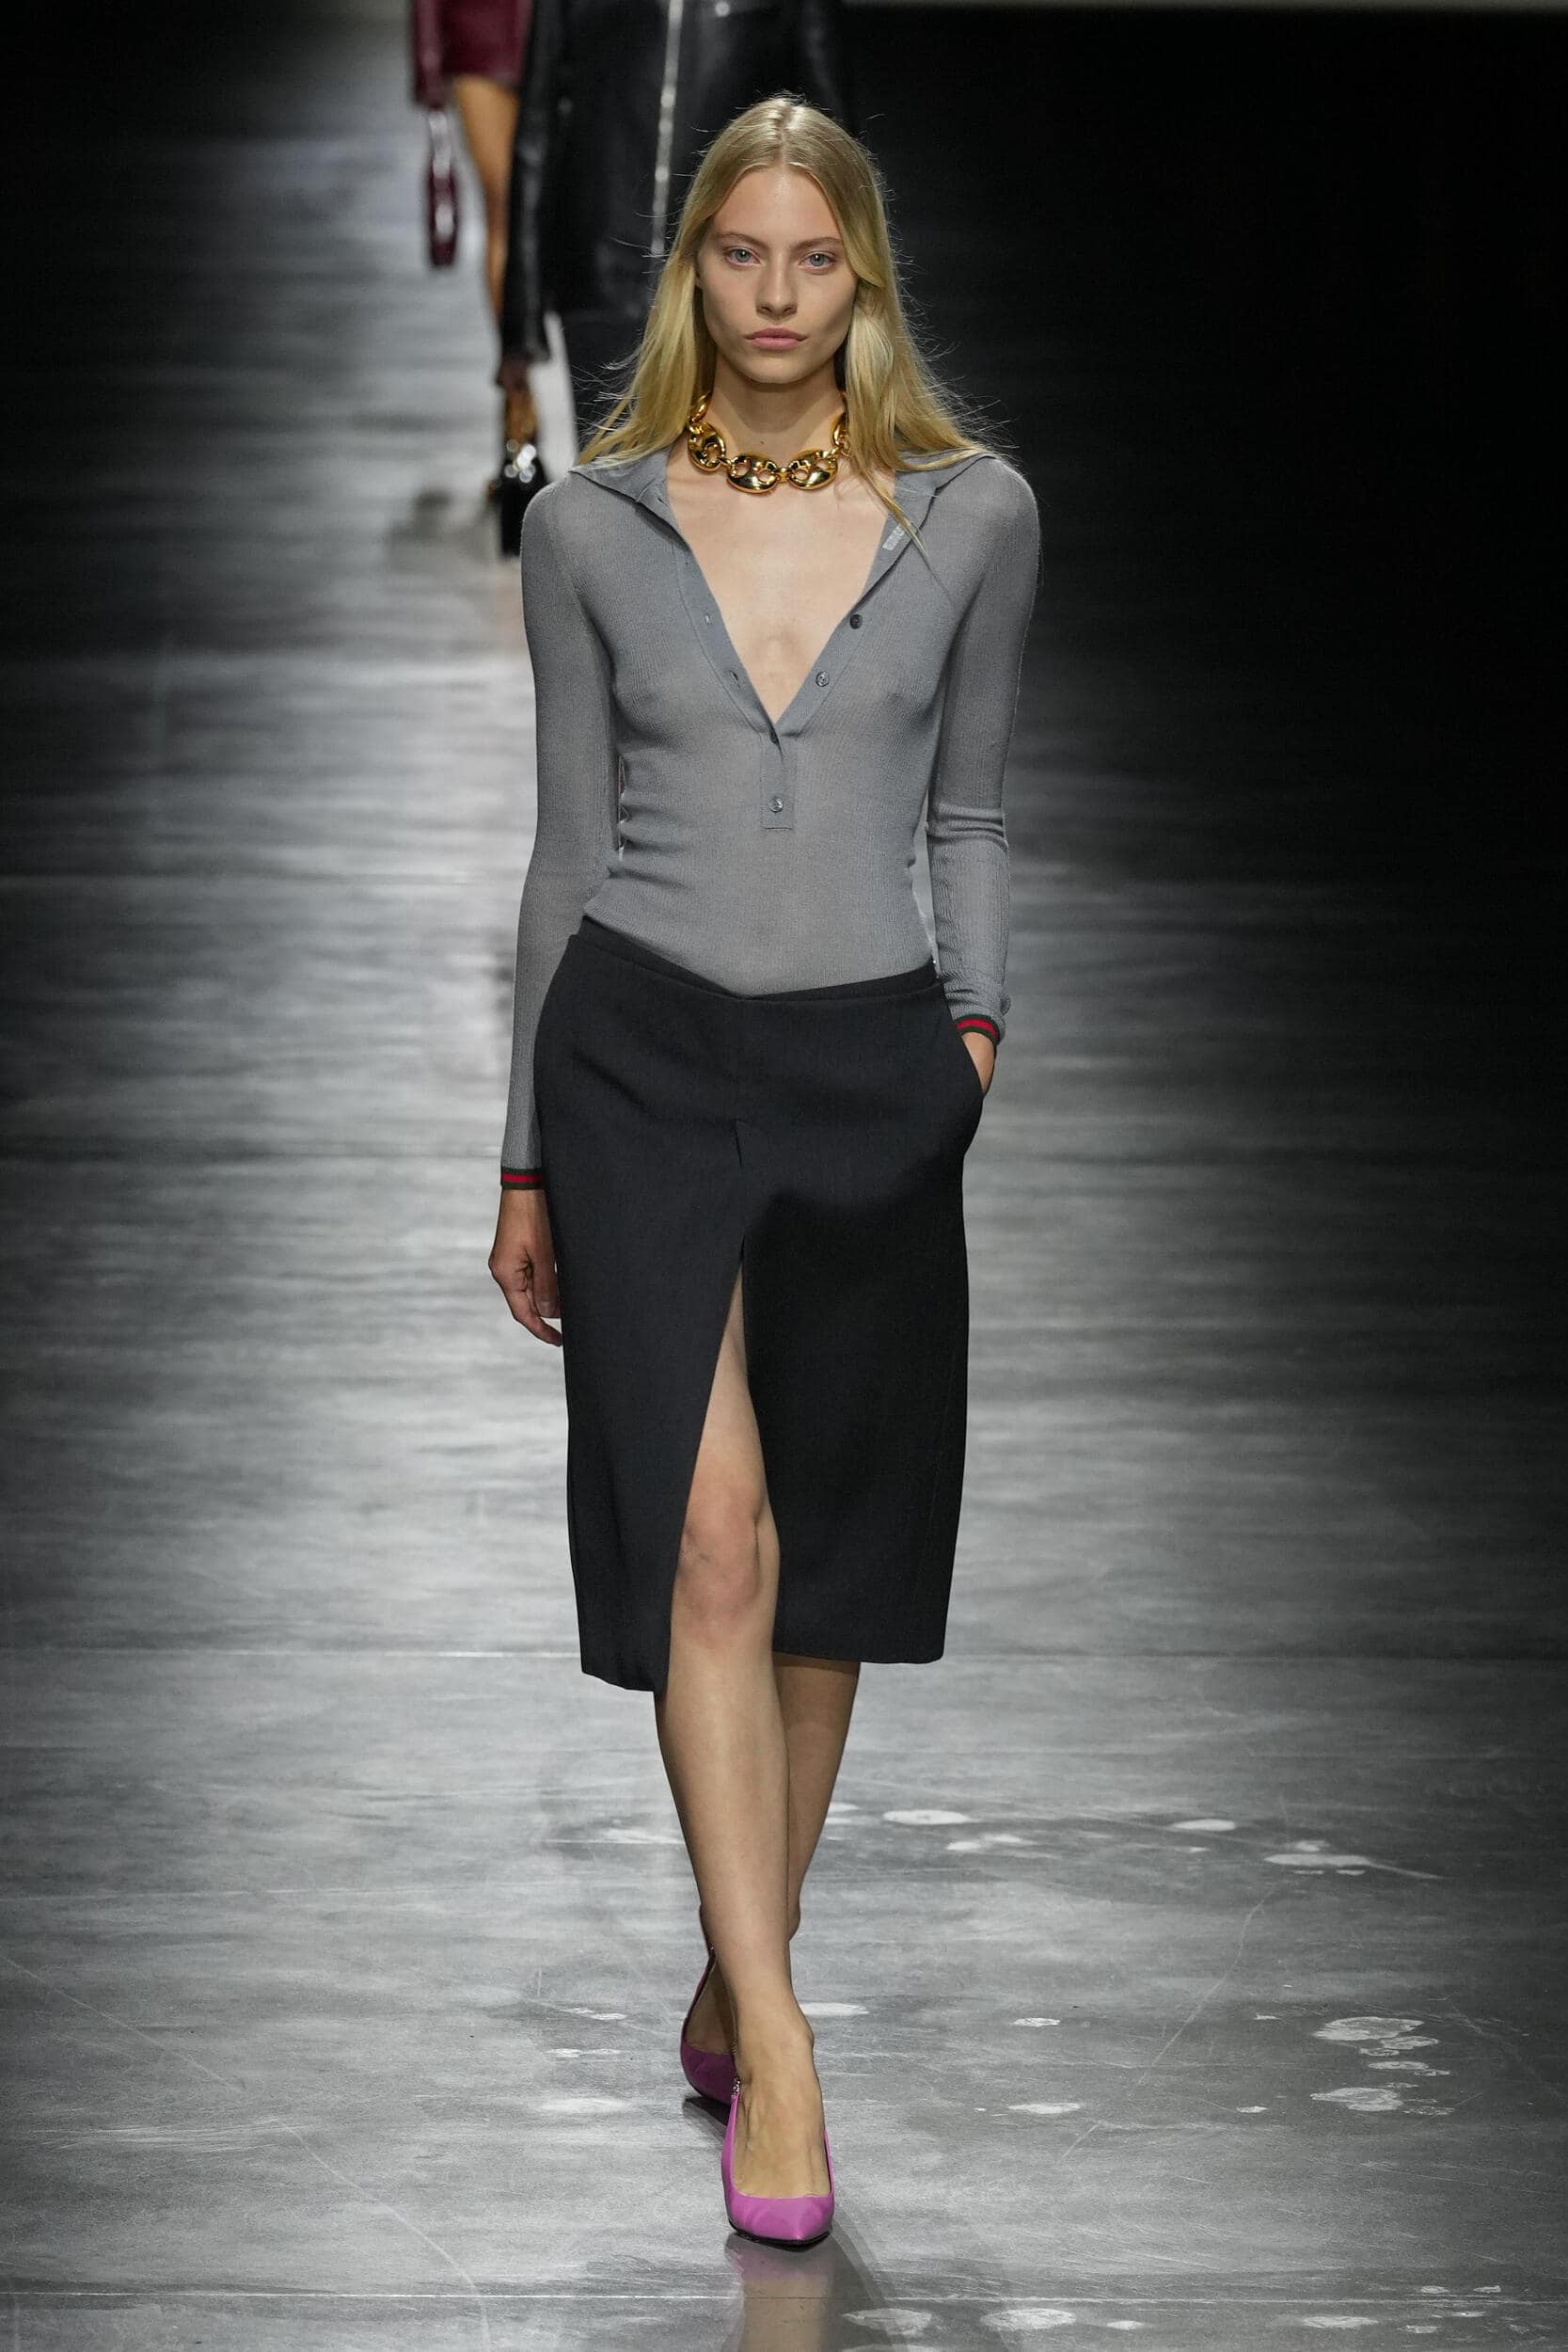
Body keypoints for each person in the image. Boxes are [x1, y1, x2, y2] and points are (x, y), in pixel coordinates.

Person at [487, 95, 1039, 2248]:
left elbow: (970, 811)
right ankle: (785, 2050)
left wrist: (968, 1044)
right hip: (635, 1059)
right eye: (741, 257)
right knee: (710, 1543)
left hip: (869, 1069)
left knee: (825, 1582)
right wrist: (524, 1156)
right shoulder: (589, 526)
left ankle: (740, 1959)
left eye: (816, 260)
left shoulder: (971, 517)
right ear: (690, 267)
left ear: (864, 273)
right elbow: (561, 847)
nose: (778, 298)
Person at [495, 0, 853, 447]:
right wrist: (520, 318)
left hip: (730, 277)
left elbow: (832, 142)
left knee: (726, 471)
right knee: (607, 474)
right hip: (600, 271)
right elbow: (537, 125)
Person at [409, 0, 535, 485]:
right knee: (507, 212)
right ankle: (518, 409)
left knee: (575, 217)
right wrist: (428, 63)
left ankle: (606, 416)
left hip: (580, 26)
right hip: (482, 29)